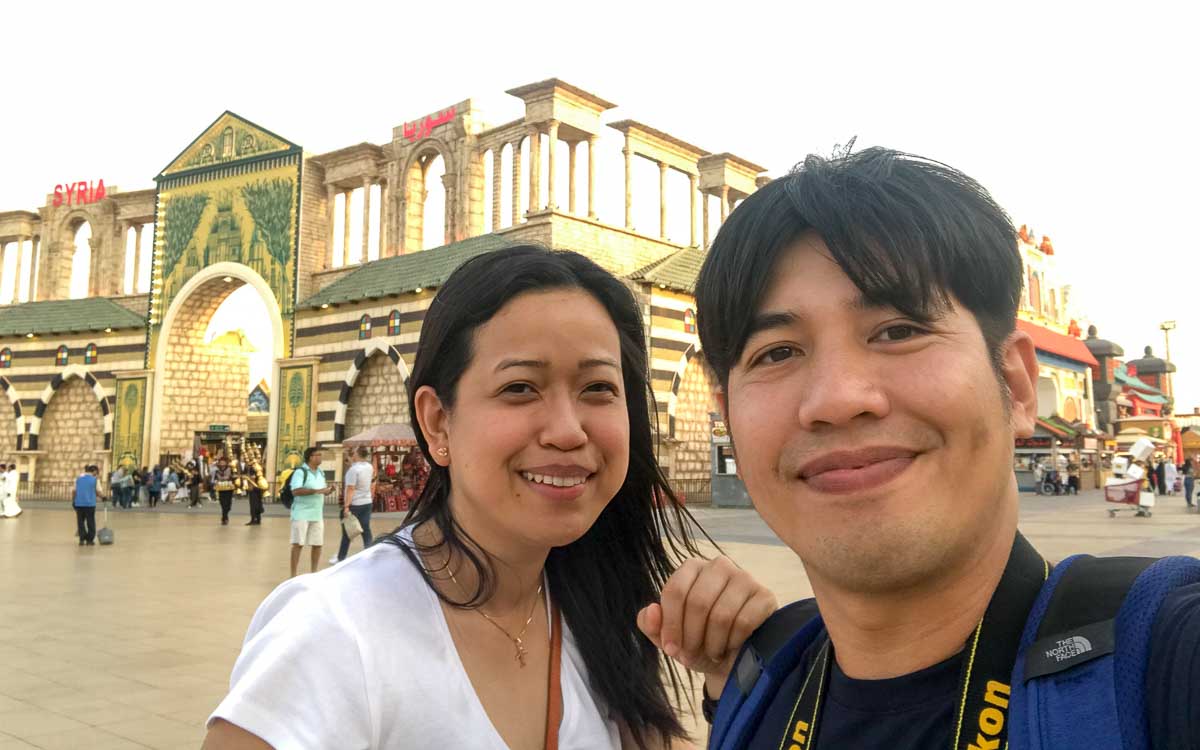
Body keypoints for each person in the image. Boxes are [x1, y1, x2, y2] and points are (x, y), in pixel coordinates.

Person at [690, 147, 1200, 748]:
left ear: (1014, 384)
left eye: (898, 331)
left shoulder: (1165, 658)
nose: (835, 399)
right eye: (776, 353)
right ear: (728, 417)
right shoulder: (760, 685)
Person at [204, 246, 777, 750]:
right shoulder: (335, 631)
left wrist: (728, 686)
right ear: (437, 424)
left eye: (599, 388)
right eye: (520, 388)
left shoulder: (606, 617)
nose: (567, 430)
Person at [336, 447, 375, 562]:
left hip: (355, 504)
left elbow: (351, 489)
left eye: (354, 452)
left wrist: (346, 506)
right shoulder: (369, 467)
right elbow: (356, 466)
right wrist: (349, 458)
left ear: (357, 454)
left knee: (347, 531)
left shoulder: (353, 470)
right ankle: (370, 553)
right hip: (367, 502)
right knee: (366, 529)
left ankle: (341, 557)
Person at [73, 464, 100, 545]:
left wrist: (74, 500)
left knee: (80, 522)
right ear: (94, 471)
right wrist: (104, 497)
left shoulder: (78, 479)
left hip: (79, 503)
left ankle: (82, 539)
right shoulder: (95, 480)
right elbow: (98, 492)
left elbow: (74, 491)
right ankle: (90, 540)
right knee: (90, 522)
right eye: (97, 472)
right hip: (90, 504)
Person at [211, 456, 235, 525]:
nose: (222, 463)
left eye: (223, 462)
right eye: (221, 462)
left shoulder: (230, 469)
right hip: (221, 489)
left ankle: (224, 517)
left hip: (228, 488)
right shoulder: (217, 470)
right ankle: (225, 517)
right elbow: (215, 478)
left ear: (226, 462)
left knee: (228, 504)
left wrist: (224, 478)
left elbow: (231, 477)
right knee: (222, 503)